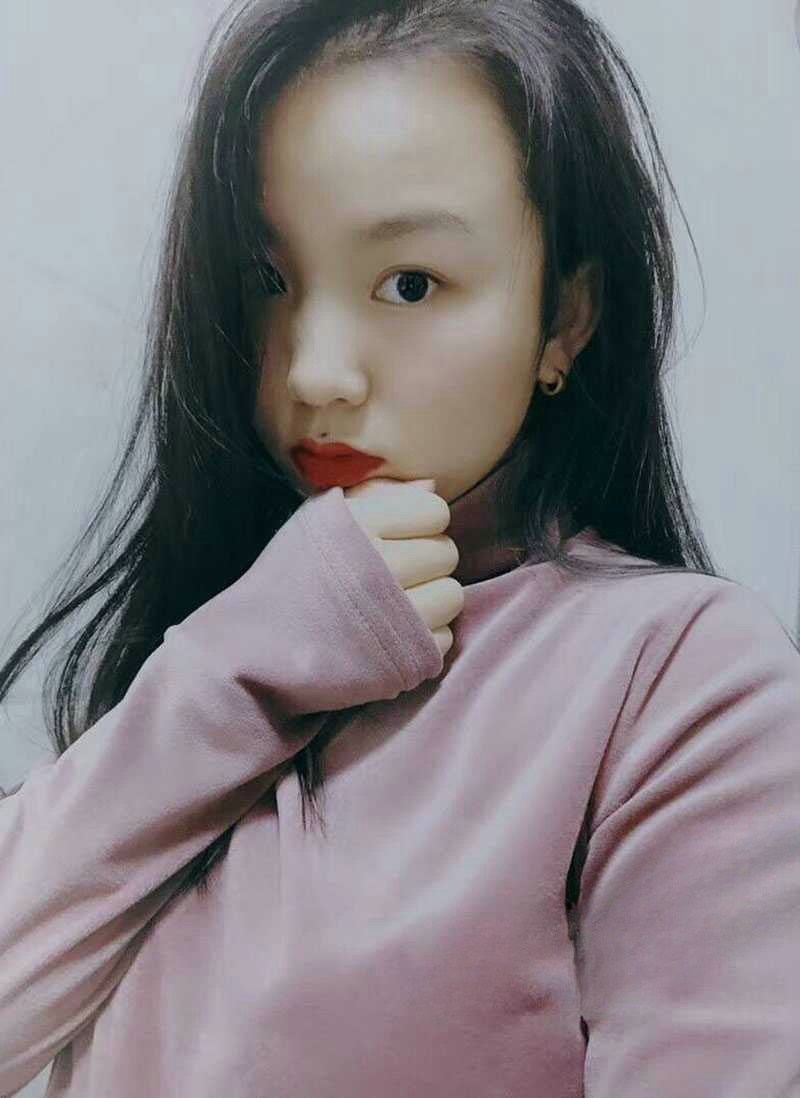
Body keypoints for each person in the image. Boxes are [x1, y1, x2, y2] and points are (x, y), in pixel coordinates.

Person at [1, 1, 798, 1095]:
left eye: (410, 284)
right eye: (266, 282)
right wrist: (235, 666)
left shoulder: (679, 677)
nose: (315, 370)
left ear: (566, 318)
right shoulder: (208, 667)